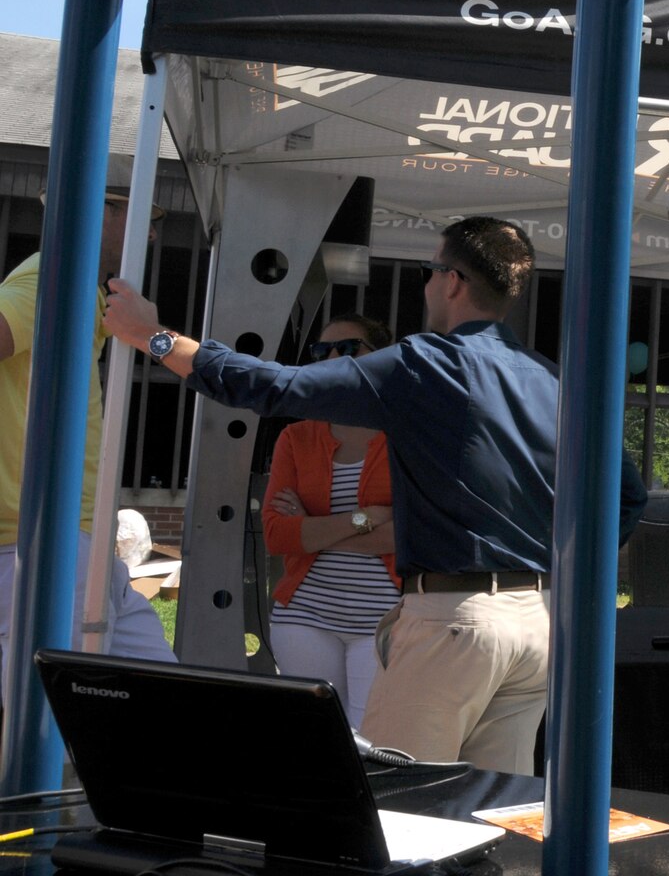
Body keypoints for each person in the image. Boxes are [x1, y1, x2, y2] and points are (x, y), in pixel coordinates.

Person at [105, 216, 557, 772]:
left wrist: (153, 337)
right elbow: (625, 501)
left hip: (453, 619)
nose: (426, 285)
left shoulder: (426, 366)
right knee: (491, 809)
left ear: (453, 281)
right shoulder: (550, 380)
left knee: (398, 803)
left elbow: (273, 386)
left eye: (428, 271)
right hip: (537, 620)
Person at [0, 175, 174, 696]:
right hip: (39, 538)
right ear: (98, 210)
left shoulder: (86, 289)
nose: (149, 235)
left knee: (169, 695)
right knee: (45, 713)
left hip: (77, 538)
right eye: (141, 216)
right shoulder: (55, 277)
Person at [262, 314, 400, 728]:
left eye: (348, 347)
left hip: (384, 621)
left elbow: (409, 535)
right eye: (322, 351)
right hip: (303, 616)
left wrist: (315, 531)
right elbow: (277, 534)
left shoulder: (406, 435)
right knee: (314, 740)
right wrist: (364, 519)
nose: (334, 357)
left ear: (383, 356)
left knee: (369, 743)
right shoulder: (297, 437)